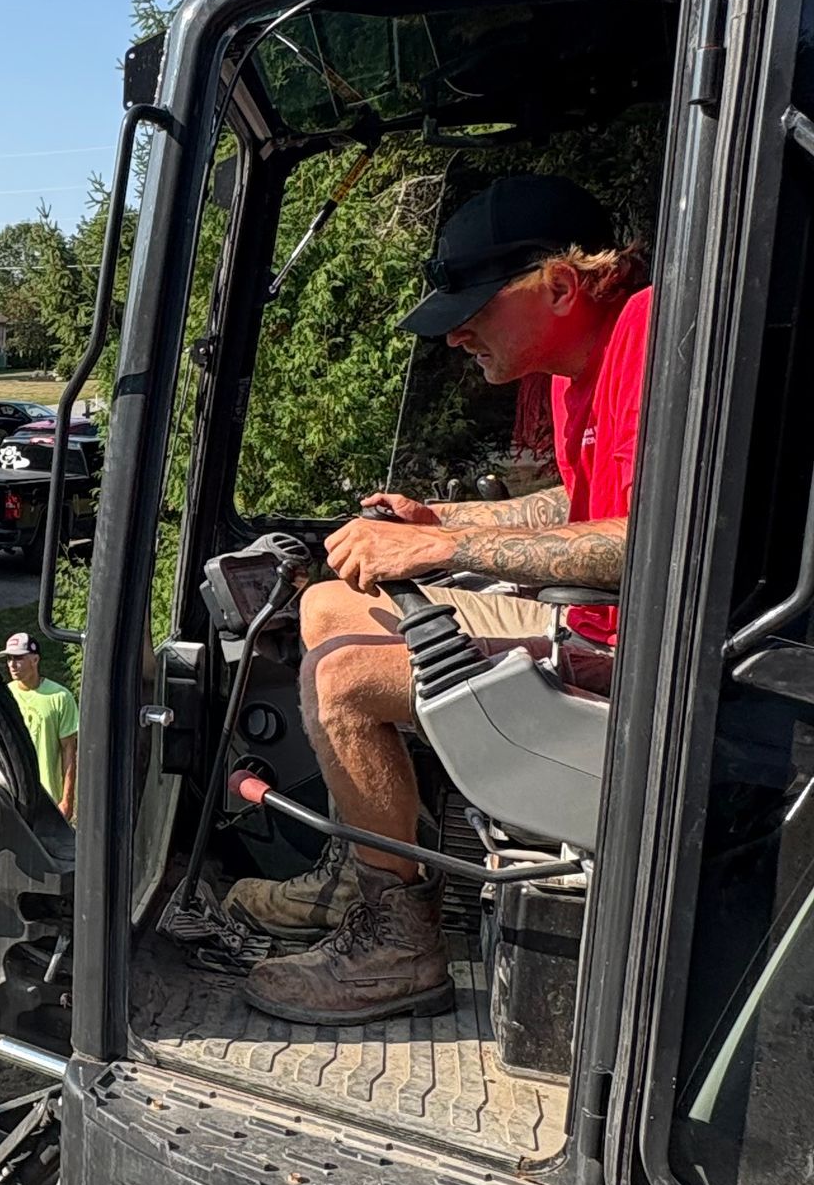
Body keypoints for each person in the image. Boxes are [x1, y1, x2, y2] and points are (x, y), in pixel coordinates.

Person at [226, 174, 651, 1025]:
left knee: (344, 678)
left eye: (476, 308)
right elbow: (576, 507)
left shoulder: (648, 335)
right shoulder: (575, 373)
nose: (458, 334)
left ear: (561, 286)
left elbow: (650, 537)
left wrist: (444, 546)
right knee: (329, 608)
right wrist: (441, 514)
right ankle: (367, 867)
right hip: (582, 617)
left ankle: (400, 946)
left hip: (634, 659)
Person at [0, 630, 78, 822]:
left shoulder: (59, 697)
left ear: (35, 660)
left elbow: (69, 750)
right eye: (9, 658)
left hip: (48, 796)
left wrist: (67, 799)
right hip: (12, 793)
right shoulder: (4, 695)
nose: (12, 664)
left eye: (18, 658)